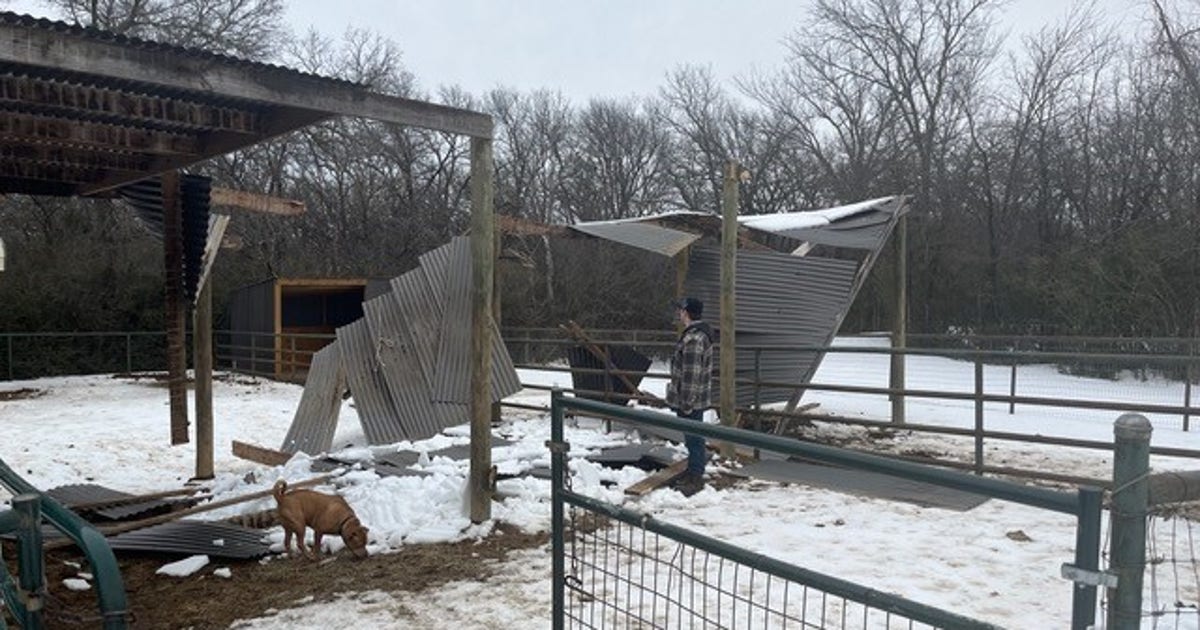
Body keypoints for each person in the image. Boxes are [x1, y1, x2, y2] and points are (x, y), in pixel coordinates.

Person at [665, 296, 714, 496]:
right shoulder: (696, 335)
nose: (679, 314)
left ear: (686, 313)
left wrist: (686, 402)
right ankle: (694, 471)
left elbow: (691, 375)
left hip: (690, 400)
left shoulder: (694, 339)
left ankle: (695, 475)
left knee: (694, 437)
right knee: (693, 437)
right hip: (694, 398)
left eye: (681, 311)